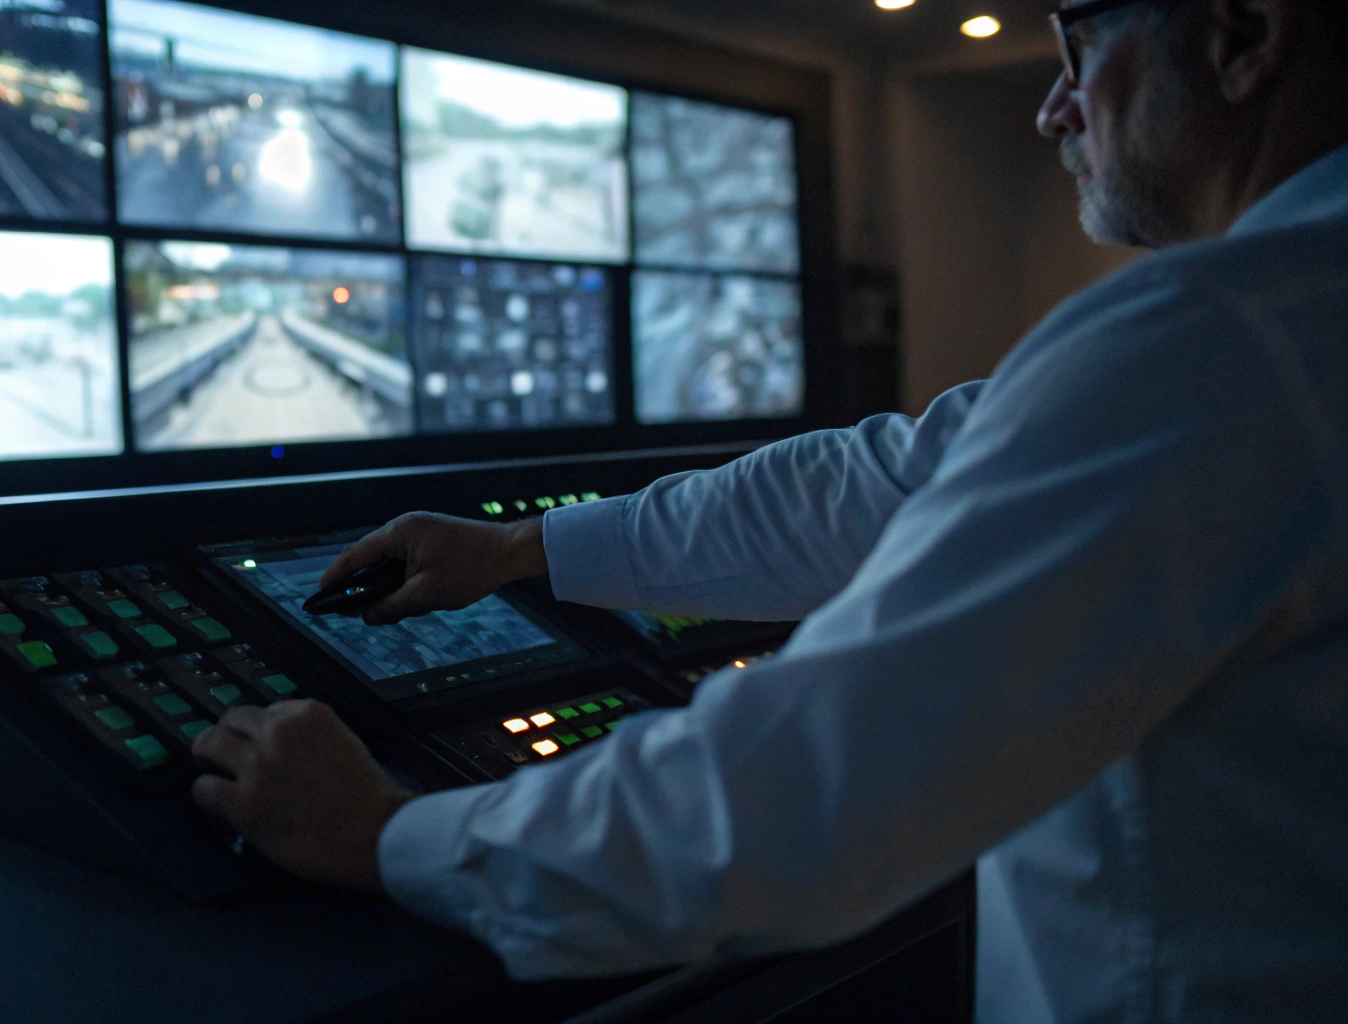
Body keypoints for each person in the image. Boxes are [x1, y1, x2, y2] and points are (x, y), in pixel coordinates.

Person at [187, 1, 1348, 1020]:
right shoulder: (1277, 327)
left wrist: (389, 837)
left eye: (1077, 41)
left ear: (1238, 33)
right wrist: (523, 545)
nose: (1053, 107)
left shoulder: (1212, 343)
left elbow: (804, 793)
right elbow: (883, 482)